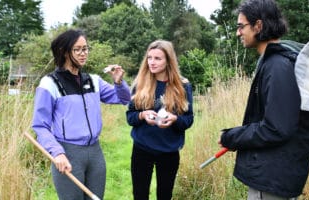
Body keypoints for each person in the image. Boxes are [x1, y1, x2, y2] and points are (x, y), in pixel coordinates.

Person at [219, 0, 309, 199]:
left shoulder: (278, 66)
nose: (238, 32)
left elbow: (276, 128)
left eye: (241, 26)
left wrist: (232, 137)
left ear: (258, 26)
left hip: (273, 179)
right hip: (272, 174)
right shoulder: (273, 62)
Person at [31, 29, 131, 200]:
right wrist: (57, 152)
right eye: (77, 49)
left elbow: (123, 98)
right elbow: (40, 125)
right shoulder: (49, 84)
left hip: (95, 153)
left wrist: (119, 82)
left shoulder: (93, 80)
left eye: (85, 48)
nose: (83, 53)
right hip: (68, 153)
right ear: (64, 51)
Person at [126, 40, 194, 200]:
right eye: (149, 58)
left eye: (157, 58)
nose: (152, 62)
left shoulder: (183, 86)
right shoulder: (140, 83)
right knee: (140, 195)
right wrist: (142, 115)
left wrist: (175, 119)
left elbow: (189, 120)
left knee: (165, 195)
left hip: (169, 151)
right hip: (142, 149)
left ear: (168, 61)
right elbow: (130, 117)